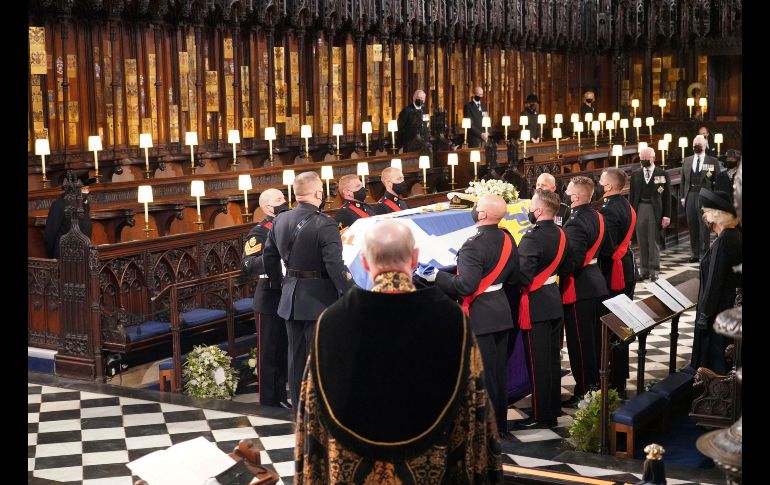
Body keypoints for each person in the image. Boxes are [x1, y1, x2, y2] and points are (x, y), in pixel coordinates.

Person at [294, 220, 503, 484]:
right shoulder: (450, 319)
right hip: (432, 464)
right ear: (415, 258)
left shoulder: (332, 322)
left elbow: (312, 413)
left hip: (351, 465)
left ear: (365, 262)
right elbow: (474, 405)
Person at [425, 194, 519, 435]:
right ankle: (499, 425)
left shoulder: (473, 245)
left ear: (483, 214)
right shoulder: (508, 239)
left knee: (483, 376)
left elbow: (466, 286)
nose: (474, 208)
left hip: (481, 316)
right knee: (499, 374)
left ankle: (485, 430)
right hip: (500, 311)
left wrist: (436, 276)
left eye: (477, 206)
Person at [263, 171, 355, 408]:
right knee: (322, 357)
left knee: (295, 360)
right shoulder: (325, 223)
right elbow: (335, 265)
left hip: (291, 298)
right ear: (318, 193)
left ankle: (300, 410)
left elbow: (269, 257)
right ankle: (323, 409)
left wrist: (278, 286)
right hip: (319, 299)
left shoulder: (280, 220)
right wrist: (352, 292)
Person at [515, 189, 568, 429]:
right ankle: (552, 407)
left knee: (537, 363)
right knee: (552, 360)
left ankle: (541, 415)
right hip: (554, 300)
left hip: (536, 304)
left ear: (539, 211)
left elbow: (524, 276)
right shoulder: (560, 232)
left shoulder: (532, 238)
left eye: (532, 206)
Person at [559, 176, 608, 406]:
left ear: (576, 197)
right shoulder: (597, 215)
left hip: (580, 287)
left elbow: (574, 260)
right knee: (593, 341)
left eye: (568, 192)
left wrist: (557, 267)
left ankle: (585, 390)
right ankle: (594, 386)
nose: (566, 194)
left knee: (581, 343)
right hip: (596, 281)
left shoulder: (575, 222)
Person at [240, 188, 291, 408]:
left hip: (289, 294)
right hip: (269, 296)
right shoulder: (260, 232)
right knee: (269, 352)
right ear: (267, 208)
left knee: (284, 350)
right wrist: (276, 260)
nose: (284, 202)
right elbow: (249, 264)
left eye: (284, 198)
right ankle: (269, 403)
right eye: (279, 200)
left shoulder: (291, 225)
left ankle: (281, 397)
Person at [690, 189, 741, 375]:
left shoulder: (724, 241)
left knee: (714, 366)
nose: (704, 215)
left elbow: (714, 282)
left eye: (706, 211)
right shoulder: (734, 235)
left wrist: (705, 314)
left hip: (717, 314)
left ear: (716, 215)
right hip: (730, 312)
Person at [597, 167, 636, 397]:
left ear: (609, 186)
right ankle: (619, 376)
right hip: (626, 266)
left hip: (614, 271)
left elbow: (607, 245)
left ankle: (615, 379)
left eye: (602, 180)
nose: (600, 183)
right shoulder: (624, 204)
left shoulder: (609, 210)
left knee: (615, 325)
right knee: (622, 323)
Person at [629, 146, 671, 281]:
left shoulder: (662, 174)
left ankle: (654, 270)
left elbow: (667, 197)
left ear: (653, 158)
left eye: (646, 158)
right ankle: (644, 270)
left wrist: (666, 215)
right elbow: (632, 195)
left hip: (655, 210)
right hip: (640, 207)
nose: (644, 160)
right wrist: (631, 213)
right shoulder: (636, 174)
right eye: (642, 158)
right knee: (642, 240)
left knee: (653, 240)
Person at [681, 135, 721, 262]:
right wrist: (683, 197)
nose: (696, 146)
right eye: (695, 143)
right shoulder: (687, 160)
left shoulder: (712, 161)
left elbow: (717, 181)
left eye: (699, 143)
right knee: (692, 225)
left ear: (704, 145)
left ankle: (705, 253)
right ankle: (695, 254)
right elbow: (683, 180)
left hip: (705, 195)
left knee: (704, 226)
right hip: (690, 195)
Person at [44, 172, 95, 259]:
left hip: (83, 255)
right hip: (64, 256)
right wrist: (52, 257)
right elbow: (50, 234)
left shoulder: (84, 203)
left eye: (87, 188)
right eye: (84, 188)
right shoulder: (59, 205)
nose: (87, 191)